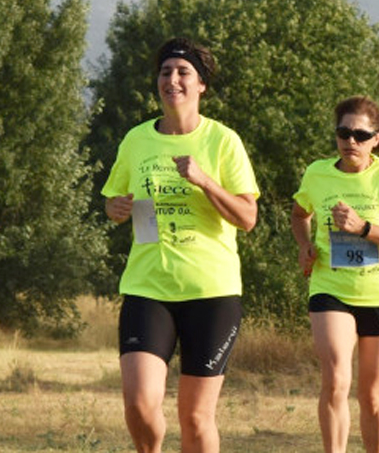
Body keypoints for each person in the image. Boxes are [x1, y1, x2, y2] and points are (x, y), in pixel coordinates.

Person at [101, 37, 259, 453]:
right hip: (147, 288)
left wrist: (205, 181)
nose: (172, 79)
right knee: (139, 404)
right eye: (165, 72)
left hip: (211, 293)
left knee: (195, 417)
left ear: (201, 84)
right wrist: (115, 208)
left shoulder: (223, 141)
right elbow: (113, 201)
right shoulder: (137, 140)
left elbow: (248, 217)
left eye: (183, 72)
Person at [290, 96, 379, 453]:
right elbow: (300, 214)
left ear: (376, 139)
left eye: (360, 135)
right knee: (335, 380)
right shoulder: (317, 173)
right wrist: (304, 244)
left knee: (372, 395)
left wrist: (363, 228)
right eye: (343, 133)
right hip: (330, 288)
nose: (350, 141)